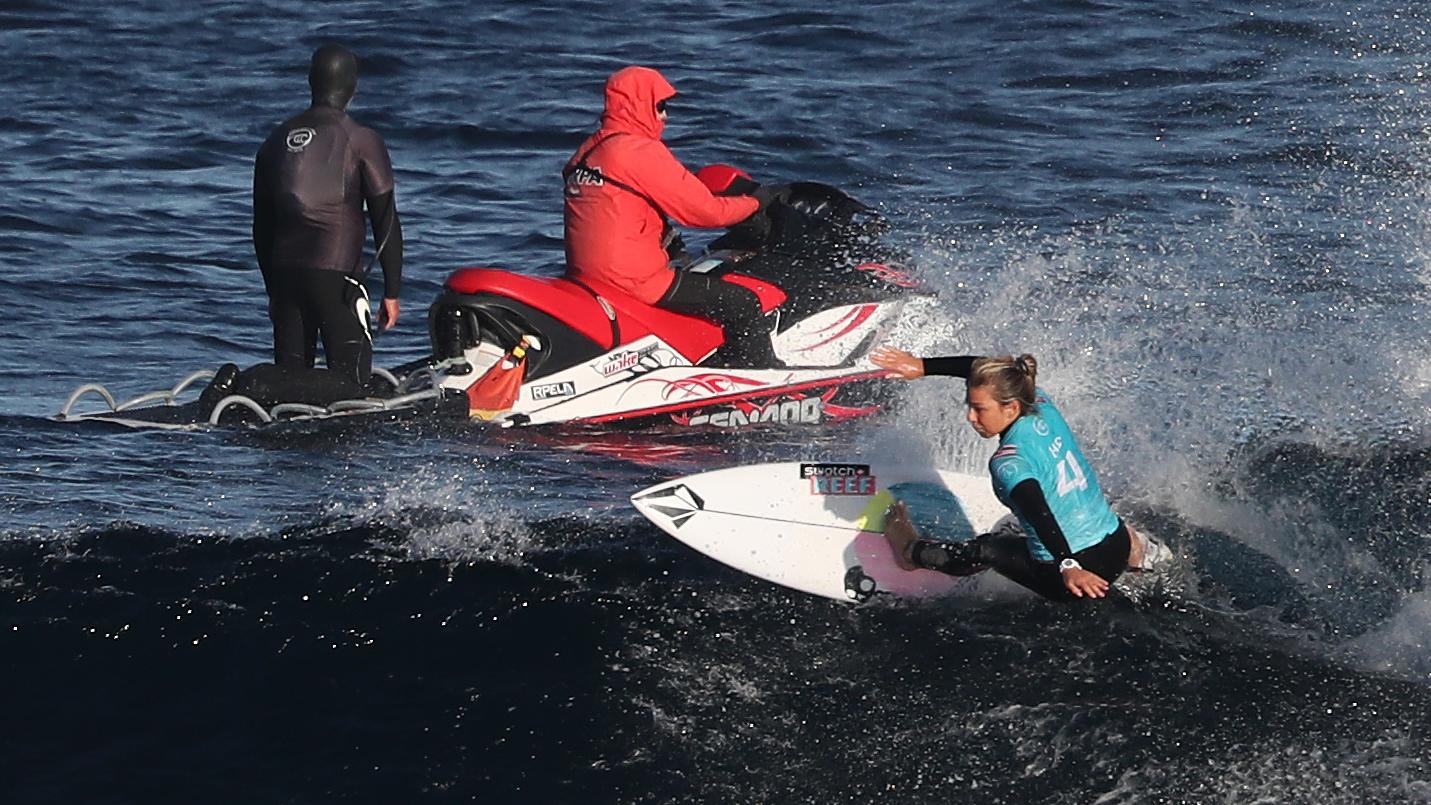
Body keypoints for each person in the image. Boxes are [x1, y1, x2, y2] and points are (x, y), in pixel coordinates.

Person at [869, 345, 1167, 601]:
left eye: (979, 409)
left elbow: (1038, 511)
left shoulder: (1008, 462)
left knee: (988, 548)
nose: (970, 417)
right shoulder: (1039, 402)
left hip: (1071, 577)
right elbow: (988, 371)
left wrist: (1067, 566)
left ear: (1010, 408)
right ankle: (1141, 556)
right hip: (1117, 545)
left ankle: (909, 553)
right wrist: (921, 366)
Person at [562, 65, 784, 367]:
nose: (665, 116)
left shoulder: (588, 152)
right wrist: (756, 203)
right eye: (660, 106)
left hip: (586, 278)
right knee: (742, 302)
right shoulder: (637, 151)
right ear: (639, 105)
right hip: (633, 281)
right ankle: (763, 380)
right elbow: (705, 213)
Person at [245, 43, 404, 400]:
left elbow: (261, 229)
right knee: (353, 386)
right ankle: (254, 381)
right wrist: (392, 291)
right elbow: (386, 221)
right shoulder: (361, 139)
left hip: (284, 278)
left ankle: (261, 391)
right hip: (337, 281)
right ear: (353, 87)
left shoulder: (273, 142)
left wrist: (274, 290)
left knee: (290, 390)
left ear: (310, 82)